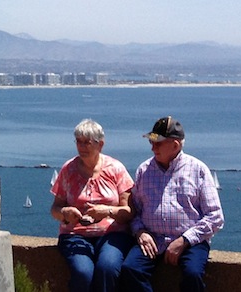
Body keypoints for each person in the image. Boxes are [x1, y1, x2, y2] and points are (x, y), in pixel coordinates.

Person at [118, 116, 223, 292]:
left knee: (193, 274)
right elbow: (135, 211)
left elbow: (215, 217)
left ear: (175, 145)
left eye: (158, 143)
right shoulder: (144, 170)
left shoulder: (198, 170)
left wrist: (184, 240)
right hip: (153, 239)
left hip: (190, 241)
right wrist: (140, 232)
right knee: (130, 270)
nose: (152, 147)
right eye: (151, 142)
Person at [50, 119, 133, 292]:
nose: (81, 147)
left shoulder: (115, 169)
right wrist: (65, 213)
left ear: (100, 144)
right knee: (82, 272)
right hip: (75, 235)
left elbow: (129, 211)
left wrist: (107, 211)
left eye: (86, 143)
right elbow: (55, 209)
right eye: (78, 142)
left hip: (112, 234)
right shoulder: (68, 169)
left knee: (108, 268)